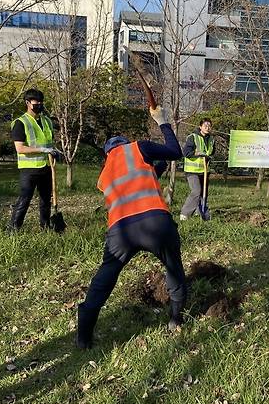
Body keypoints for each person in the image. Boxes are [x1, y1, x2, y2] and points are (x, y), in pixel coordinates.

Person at [76, 106, 186, 349]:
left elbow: (146, 175)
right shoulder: (137, 148)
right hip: (156, 223)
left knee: (104, 280)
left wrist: (159, 166)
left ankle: (83, 335)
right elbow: (174, 152)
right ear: (125, 144)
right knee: (173, 267)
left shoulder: (104, 176)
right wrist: (163, 122)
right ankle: (176, 319)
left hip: (121, 231)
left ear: (107, 154)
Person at [8, 88, 59, 231]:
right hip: (29, 169)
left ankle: (45, 227)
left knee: (45, 200)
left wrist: (55, 151)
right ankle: (13, 229)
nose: (40, 104)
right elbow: (20, 148)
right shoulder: (20, 122)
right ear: (28, 103)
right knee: (24, 200)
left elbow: (49, 143)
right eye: (36, 102)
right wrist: (42, 150)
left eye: (41, 101)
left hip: (46, 166)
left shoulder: (47, 121)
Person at [180, 118, 215, 221]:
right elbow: (186, 153)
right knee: (196, 191)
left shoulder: (211, 139)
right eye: (205, 126)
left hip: (204, 170)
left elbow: (212, 152)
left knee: (204, 193)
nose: (207, 128)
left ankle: (200, 212)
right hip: (192, 170)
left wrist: (208, 157)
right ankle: (185, 213)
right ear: (200, 127)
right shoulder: (193, 137)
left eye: (209, 126)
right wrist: (197, 154)